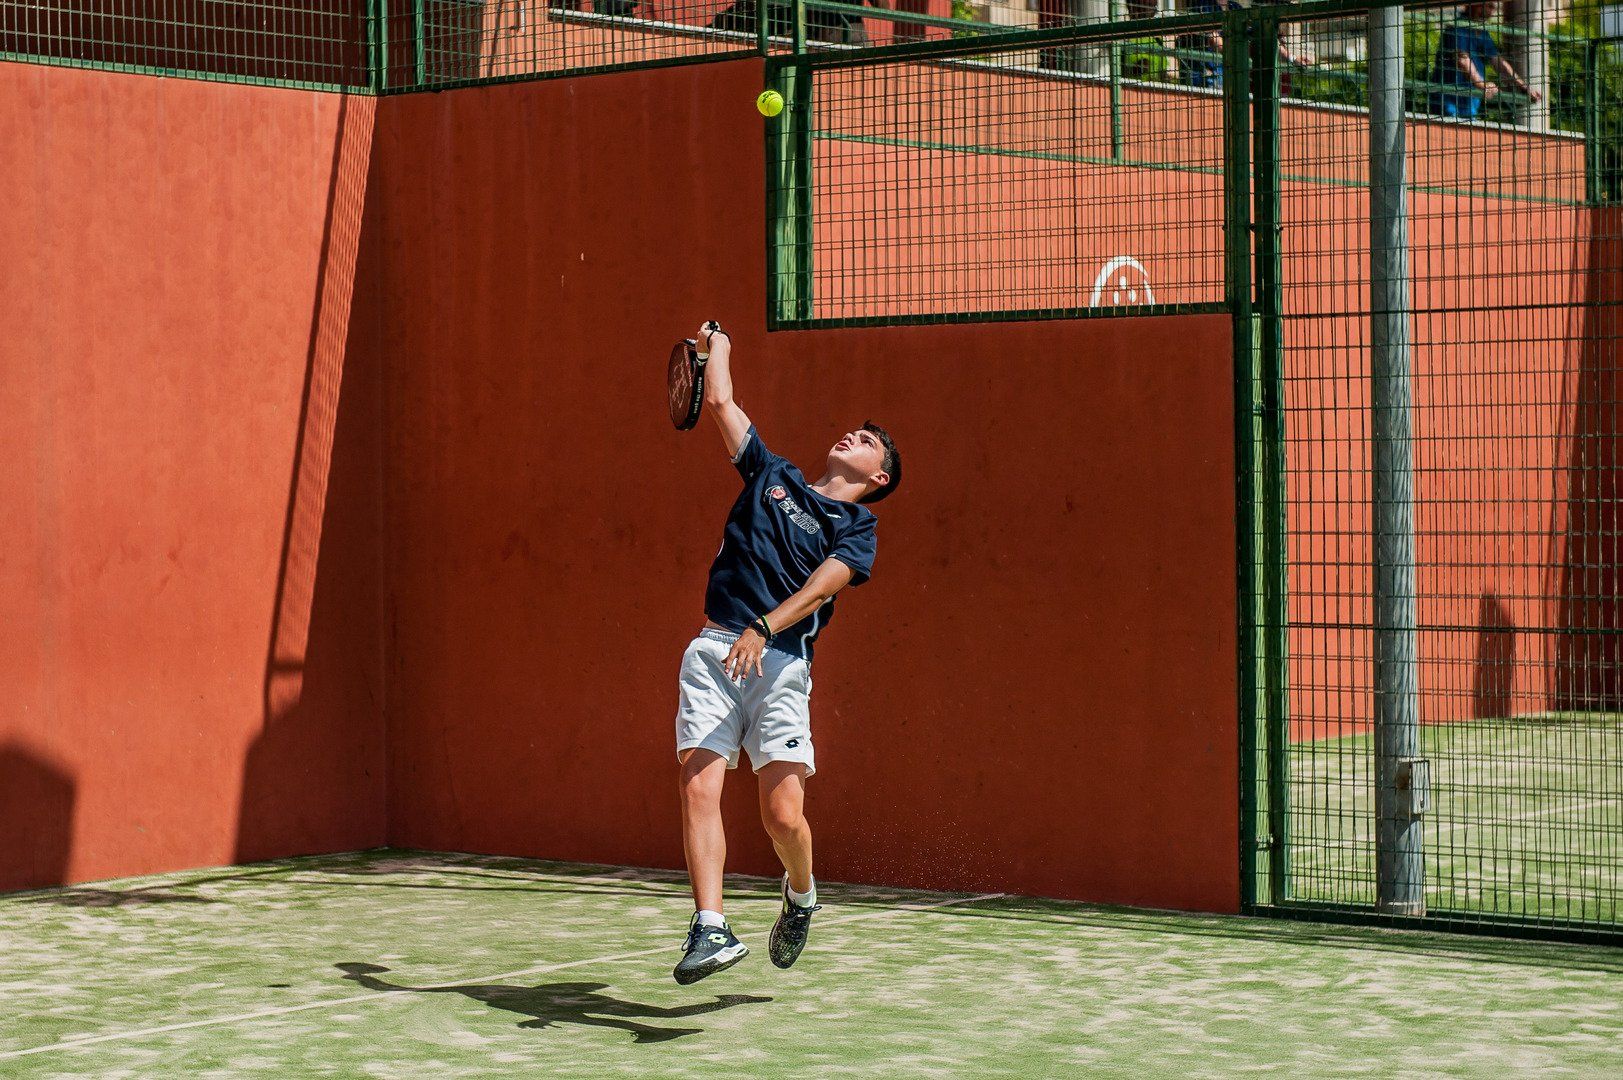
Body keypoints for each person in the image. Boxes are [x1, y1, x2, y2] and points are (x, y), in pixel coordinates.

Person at [671, 320, 900, 986]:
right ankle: (709, 926)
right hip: (714, 649)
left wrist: (763, 628)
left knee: (782, 817)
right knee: (698, 783)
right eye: (852, 431)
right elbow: (720, 402)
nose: (851, 437)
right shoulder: (771, 473)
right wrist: (718, 346)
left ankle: (800, 894)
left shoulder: (857, 527)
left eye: (867, 442)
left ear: (878, 476)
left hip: (779, 665)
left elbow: (821, 589)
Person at [1428, 1, 1542, 120]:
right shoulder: (1457, 28)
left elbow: (1498, 62)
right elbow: (1462, 59)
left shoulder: (1482, 33)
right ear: (1474, 5)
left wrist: (1524, 87)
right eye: (1489, 6)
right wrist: (1481, 84)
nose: (1491, 11)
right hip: (1447, 101)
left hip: (1469, 105)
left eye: (1493, 7)